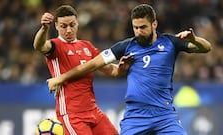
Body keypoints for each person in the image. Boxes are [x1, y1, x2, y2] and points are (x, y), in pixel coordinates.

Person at [46, 4, 212, 135]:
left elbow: (206, 48)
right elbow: (92, 64)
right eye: (135, 27)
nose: (139, 32)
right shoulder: (126, 46)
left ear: (154, 24)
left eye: (143, 27)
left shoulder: (171, 43)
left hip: (164, 114)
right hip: (136, 115)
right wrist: (61, 78)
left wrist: (195, 39)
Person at [33, 5, 124, 135]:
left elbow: (112, 71)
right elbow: (39, 45)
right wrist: (44, 28)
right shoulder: (55, 46)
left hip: (93, 111)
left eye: (72, 25)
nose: (69, 30)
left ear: (77, 24)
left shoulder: (87, 46)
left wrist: (124, 65)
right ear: (57, 26)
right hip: (72, 115)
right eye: (64, 26)